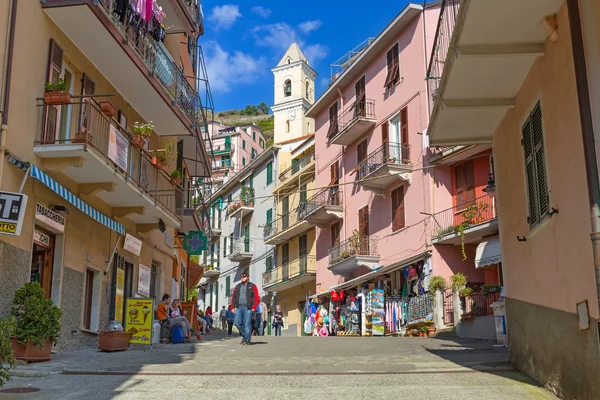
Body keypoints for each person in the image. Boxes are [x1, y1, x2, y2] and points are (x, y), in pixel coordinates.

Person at [230, 272, 259, 345]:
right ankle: (245, 336)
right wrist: (232, 307)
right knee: (237, 322)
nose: (242, 278)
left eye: (244, 276)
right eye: (241, 277)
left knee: (247, 324)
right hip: (239, 307)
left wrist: (254, 307)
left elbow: (256, 297)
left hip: (248, 307)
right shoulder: (238, 286)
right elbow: (233, 297)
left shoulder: (252, 286)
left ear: (247, 277)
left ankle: (248, 340)